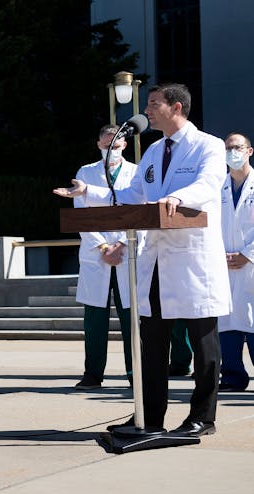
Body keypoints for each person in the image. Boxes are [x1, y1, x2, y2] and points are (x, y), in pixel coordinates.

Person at [54, 83, 230, 436]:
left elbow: (209, 185)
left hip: (191, 258)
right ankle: (149, 418)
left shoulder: (207, 146)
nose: (146, 110)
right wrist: (89, 191)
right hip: (154, 261)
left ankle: (202, 418)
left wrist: (175, 199)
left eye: (153, 104)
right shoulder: (152, 151)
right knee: (152, 344)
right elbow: (132, 197)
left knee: (204, 344)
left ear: (176, 107)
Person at [73, 125, 140, 390]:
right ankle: (92, 374)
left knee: (131, 318)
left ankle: (136, 374)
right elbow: (81, 214)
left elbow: (139, 210)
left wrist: (121, 244)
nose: (111, 145)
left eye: (117, 141)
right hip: (96, 255)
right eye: (106, 141)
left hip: (127, 252)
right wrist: (103, 247)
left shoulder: (136, 172)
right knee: (95, 319)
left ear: (125, 145)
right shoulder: (85, 172)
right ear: (98, 144)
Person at [218, 132, 254, 391]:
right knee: (227, 321)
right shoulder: (217, 186)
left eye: (237, 147)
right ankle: (232, 376)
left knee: (252, 320)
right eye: (229, 148)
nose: (233, 152)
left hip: (251, 264)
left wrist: (247, 254)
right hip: (223, 264)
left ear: (249, 151)